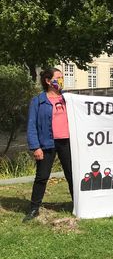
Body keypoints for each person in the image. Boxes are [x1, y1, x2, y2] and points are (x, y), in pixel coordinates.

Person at [24, 68, 74, 221]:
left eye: (62, 77)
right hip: (46, 143)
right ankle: (34, 209)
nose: (61, 80)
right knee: (42, 177)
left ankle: (78, 204)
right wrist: (35, 147)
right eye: (58, 77)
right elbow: (31, 125)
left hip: (67, 142)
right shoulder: (38, 101)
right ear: (48, 81)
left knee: (72, 175)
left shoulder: (68, 99)